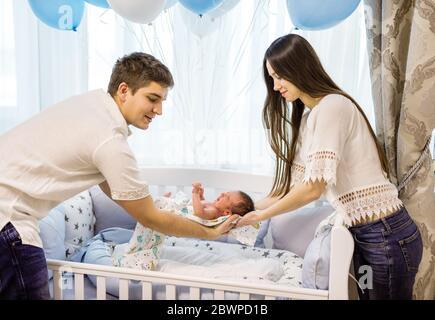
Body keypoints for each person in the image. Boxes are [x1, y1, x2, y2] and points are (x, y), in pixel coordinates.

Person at [0, 52, 237, 300]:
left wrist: (158, 207)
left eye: (163, 101)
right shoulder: (109, 140)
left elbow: (120, 194)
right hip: (9, 218)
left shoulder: (89, 105)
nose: (159, 110)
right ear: (124, 90)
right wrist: (210, 232)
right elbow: (149, 218)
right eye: (153, 99)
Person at [236, 34, 423, 300]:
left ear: (298, 69)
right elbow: (293, 188)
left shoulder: (333, 107)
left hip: (386, 235)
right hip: (366, 236)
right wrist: (245, 210)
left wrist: (260, 217)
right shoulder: (312, 117)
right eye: (272, 78)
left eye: (280, 76)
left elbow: (313, 190)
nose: (276, 86)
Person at [112, 183, 255, 270]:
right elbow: (202, 207)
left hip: (177, 215)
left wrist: (195, 194)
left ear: (227, 212)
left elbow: (199, 212)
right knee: (151, 220)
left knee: (151, 225)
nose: (223, 193)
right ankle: (164, 202)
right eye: (226, 193)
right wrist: (201, 197)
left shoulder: (213, 212)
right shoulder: (213, 208)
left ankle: (137, 256)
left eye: (227, 197)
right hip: (179, 212)